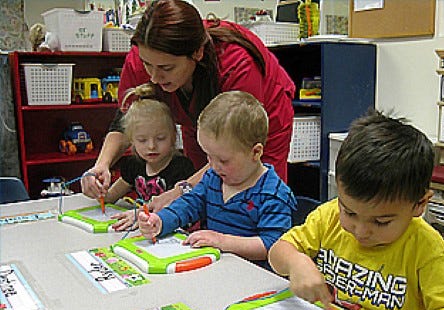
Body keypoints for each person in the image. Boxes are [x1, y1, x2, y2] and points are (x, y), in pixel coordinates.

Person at [269, 111, 444, 310]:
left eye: (381, 222)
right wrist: (296, 262)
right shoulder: (328, 217)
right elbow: (277, 252)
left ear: (419, 204)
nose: (361, 231)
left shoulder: (428, 249)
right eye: (350, 212)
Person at [82, 0, 295, 212]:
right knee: (202, 197)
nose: (154, 77)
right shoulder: (146, 55)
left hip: (256, 121)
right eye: (147, 65)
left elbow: (235, 146)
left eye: (166, 68)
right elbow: (126, 119)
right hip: (196, 117)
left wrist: (179, 191)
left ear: (197, 53)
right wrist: (101, 165)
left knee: (255, 198)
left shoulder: (236, 65)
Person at [137, 91, 296, 265]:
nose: (213, 165)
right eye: (208, 156)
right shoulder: (213, 178)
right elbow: (189, 204)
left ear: (255, 152)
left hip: (252, 275)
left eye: (223, 160)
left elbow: (272, 246)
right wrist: (161, 221)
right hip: (215, 268)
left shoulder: (273, 194)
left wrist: (221, 241)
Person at [99, 83, 195, 231]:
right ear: (131, 140)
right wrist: (99, 188)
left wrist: (143, 214)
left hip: (172, 231)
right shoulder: (134, 164)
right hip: (143, 231)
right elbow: (110, 196)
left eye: (160, 138)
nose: (151, 146)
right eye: (142, 140)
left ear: (173, 137)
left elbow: (181, 209)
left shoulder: (182, 167)